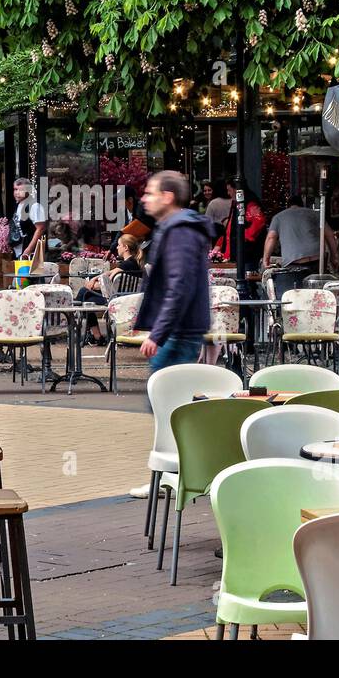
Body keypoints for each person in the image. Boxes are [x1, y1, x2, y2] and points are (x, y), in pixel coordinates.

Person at [128, 171, 217, 497]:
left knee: (167, 403)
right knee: (171, 403)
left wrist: (159, 334)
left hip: (179, 331)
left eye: (150, 192)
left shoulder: (179, 231)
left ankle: (171, 474)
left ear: (168, 197)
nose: (144, 198)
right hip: (181, 330)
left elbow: (178, 286)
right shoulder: (179, 228)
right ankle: (177, 471)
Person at [77, 235, 146, 345]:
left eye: (119, 245)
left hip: (116, 300)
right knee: (84, 294)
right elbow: (109, 273)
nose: (117, 248)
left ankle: (95, 336)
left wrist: (91, 284)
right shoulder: (134, 263)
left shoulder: (126, 264)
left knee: (84, 298)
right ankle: (95, 336)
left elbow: (107, 284)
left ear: (126, 248)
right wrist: (95, 279)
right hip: (129, 299)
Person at [262, 194, 337, 280]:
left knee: (296, 290)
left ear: (288, 206)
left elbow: (271, 237)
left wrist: (266, 259)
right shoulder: (315, 214)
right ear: (302, 204)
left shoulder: (278, 217)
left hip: (294, 261)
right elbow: (329, 235)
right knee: (316, 289)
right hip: (317, 259)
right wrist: (334, 257)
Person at [216, 186, 267, 264]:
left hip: (247, 252)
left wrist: (243, 237)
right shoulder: (237, 204)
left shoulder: (250, 205)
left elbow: (259, 222)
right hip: (237, 249)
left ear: (236, 190)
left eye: (229, 190)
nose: (228, 193)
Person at [9, 178, 47, 260]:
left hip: (29, 252)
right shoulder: (19, 205)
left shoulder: (34, 206)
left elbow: (40, 229)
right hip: (17, 250)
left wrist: (28, 250)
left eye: (21, 190)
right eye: (15, 189)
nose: (17, 193)